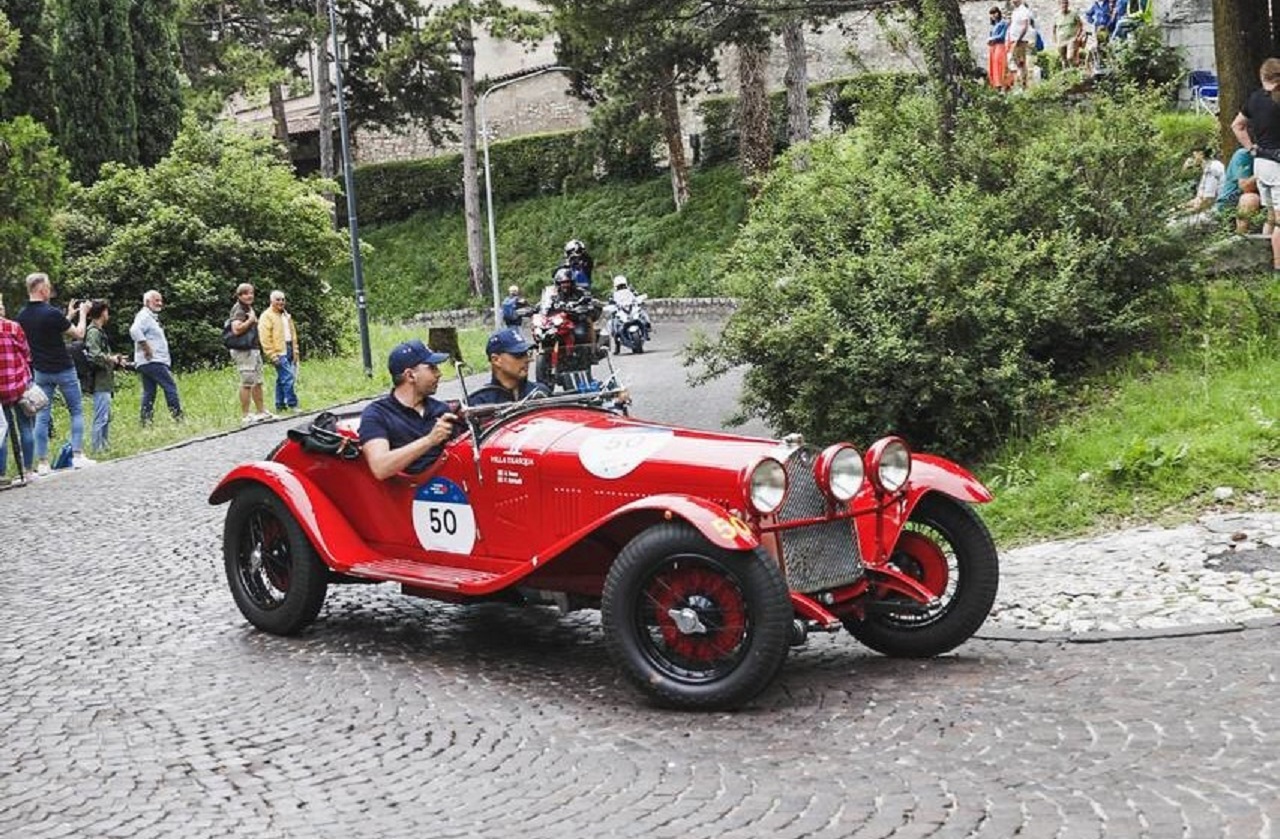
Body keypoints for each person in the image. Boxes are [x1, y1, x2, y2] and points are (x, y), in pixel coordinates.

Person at [15, 272, 94, 473]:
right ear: (42, 289)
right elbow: (79, 334)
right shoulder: (51, 312)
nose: (50, 290)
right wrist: (83, 314)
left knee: (42, 416)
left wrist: (68, 316)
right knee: (76, 410)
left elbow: (49, 329)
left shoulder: (22, 316)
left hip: (41, 371)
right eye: (48, 287)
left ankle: (43, 463)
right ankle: (77, 456)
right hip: (64, 368)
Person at [359, 340, 460, 480]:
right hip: (403, 490)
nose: (439, 374)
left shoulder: (442, 410)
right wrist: (429, 440)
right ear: (410, 375)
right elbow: (380, 468)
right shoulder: (377, 414)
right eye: (432, 368)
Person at [1231, 57, 1280, 273]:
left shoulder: (1254, 98)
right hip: (1277, 165)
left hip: (1260, 163)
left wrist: (1251, 148)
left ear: (1262, 76)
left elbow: (1237, 125)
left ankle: (1263, 264)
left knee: (1270, 216)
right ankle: (1278, 268)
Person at [129, 289, 183, 425]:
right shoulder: (144, 316)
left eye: (160, 300)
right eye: (156, 300)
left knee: (149, 391)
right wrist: (146, 347)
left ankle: (145, 421)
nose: (160, 303)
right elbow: (134, 330)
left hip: (148, 362)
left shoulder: (151, 317)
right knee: (170, 387)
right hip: (153, 360)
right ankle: (178, 418)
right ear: (147, 302)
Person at [84, 300, 129, 454]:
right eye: (107, 311)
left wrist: (116, 360)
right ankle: (97, 448)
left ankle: (104, 446)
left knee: (106, 416)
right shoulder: (93, 332)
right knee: (101, 416)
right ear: (103, 312)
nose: (108, 314)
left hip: (105, 380)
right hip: (99, 381)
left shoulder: (99, 331)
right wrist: (112, 359)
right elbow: (94, 355)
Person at [468, 329, 550, 407]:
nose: (528, 360)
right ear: (496, 360)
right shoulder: (479, 403)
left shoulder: (541, 392)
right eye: (519, 355)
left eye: (527, 354)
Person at [0, 297, 35, 484]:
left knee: (2, 430)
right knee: (25, 427)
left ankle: (2, 473)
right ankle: (28, 470)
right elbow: (26, 353)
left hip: (0, 390)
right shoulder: (14, 327)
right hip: (19, 385)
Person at [227, 283, 269, 425]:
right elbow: (236, 329)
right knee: (247, 382)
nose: (249, 296)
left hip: (252, 348)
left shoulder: (247, 307)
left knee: (258, 381)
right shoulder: (239, 309)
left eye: (251, 293)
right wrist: (250, 320)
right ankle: (245, 415)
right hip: (243, 350)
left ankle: (261, 411)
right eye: (245, 293)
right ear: (239, 296)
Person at [258, 289, 300, 414]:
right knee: (288, 377)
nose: (281, 302)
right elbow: (265, 337)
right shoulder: (267, 316)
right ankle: (293, 404)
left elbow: (293, 334)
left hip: (289, 348)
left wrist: (295, 350)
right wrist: (271, 354)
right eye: (278, 300)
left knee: (282, 378)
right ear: (271, 301)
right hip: (278, 351)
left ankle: (280, 405)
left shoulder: (286, 315)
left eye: (283, 299)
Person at [1216, 148, 1263, 234]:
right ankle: (1241, 236)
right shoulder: (1245, 154)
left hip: (1264, 199)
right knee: (1250, 199)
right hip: (1231, 201)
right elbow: (1245, 186)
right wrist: (1266, 171)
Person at [1184, 146, 1225, 219]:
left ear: (1201, 154)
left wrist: (1186, 212)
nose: (1190, 159)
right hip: (1210, 208)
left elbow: (1208, 201)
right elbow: (1200, 199)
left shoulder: (1212, 168)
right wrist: (1181, 207)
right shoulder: (1209, 167)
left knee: (1173, 223)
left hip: (1216, 210)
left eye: (1193, 156)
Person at [1006, 0, 1037, 90]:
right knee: (1016, 63)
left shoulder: (1023, 10)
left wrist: (1019, 39)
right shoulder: (1015, 11)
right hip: (1014, 40)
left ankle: (1023, 86)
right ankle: (1021, 85)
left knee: (1020, 63)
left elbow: (1025, 26)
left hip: (1020, 41)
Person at [610, 274, 651, 341]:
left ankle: (647, 327)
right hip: (621, 310)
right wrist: (611, 305)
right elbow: (610, 301)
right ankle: (615, 334)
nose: (621, 287)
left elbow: (636, 296)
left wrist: (640, 299)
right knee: (613, 319)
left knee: (642, 313)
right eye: (619, 286)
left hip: (631, 307)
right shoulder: (613, 294)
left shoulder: (631, 290)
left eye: (622, 285)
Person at [1053, 0, 1085, 69]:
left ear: (1068, 4)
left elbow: (1081, 25)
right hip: (1061, 41)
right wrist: (1055, 41)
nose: (1064, 5)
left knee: (1070, 57)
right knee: (1063, 60)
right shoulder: (1056, 16)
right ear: (1059, 5)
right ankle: (1067, 73)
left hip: (1071, 39)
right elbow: (1054, 29)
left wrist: (1077, 36)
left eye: (1066, 3)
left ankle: (1077, 66)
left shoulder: (1074, 14)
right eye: (1062, 3)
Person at [987, 7, 1010, 90]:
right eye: (991, 14)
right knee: (992, 65)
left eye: (994, 13)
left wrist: (992, 38)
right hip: (992, 47)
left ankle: (1001, 83)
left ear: (998, 13)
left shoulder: (1003, 23)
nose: (993, 15)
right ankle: (994, 84)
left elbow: (1002, 35)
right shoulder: (993, 26)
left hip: (1000, 45)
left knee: (999, 64)